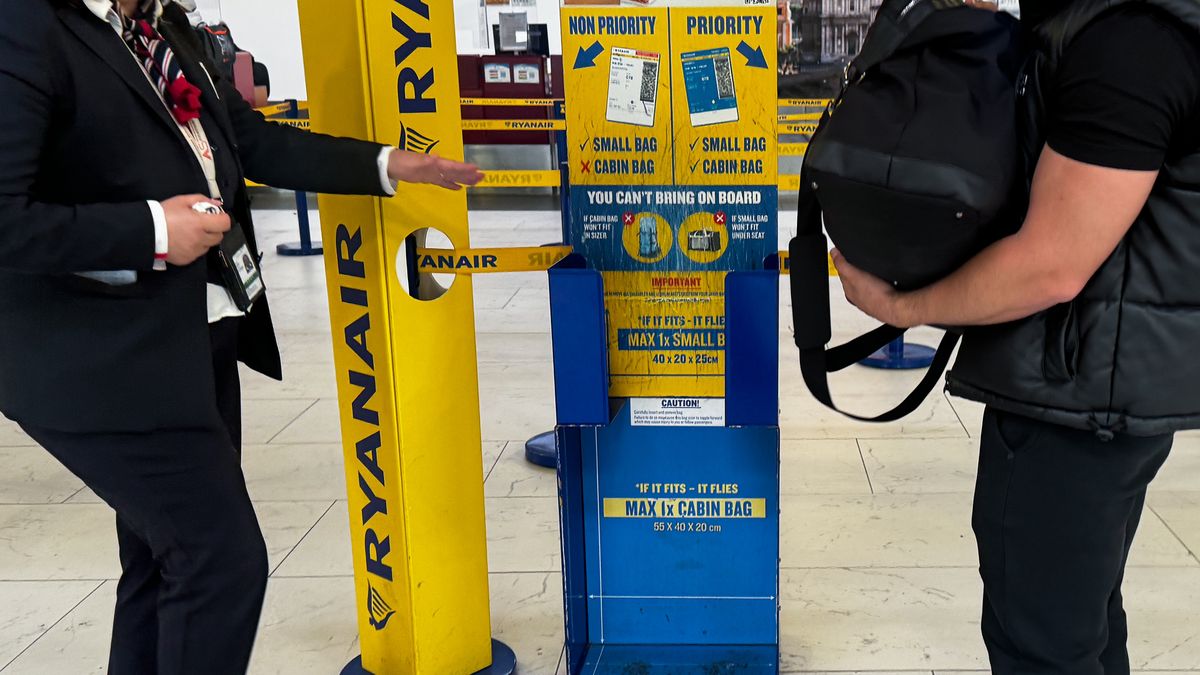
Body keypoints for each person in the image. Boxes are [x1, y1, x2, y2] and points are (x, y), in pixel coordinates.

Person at [0, 0, 482, 673]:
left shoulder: (164, 27)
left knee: (158, 557)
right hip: (101, 357)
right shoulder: (27, 26)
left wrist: (386, 166)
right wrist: (153, 230)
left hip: (196, 333)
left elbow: (250, 142)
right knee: (220, 562)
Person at [831, 1, 1200, 672]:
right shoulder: (1119, 28)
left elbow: (1052, 264)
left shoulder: (1128, 42)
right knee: (1077, 629)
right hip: (1104, 389)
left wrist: (904, 305)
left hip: (1074, 400)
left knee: (1043, 647)